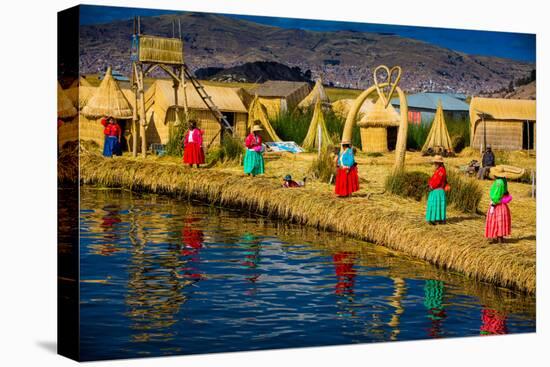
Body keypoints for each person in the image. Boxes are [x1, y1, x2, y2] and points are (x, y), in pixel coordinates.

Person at [485, 176, 512, 243]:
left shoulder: (498, 182)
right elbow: (505, 191)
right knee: (501, 221)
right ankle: (500, 238)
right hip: (503, 205)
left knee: (495, 220)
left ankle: (497, 237)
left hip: (498, 204)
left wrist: (494, 202)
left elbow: (497, 194)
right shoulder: (504, 180)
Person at [426, 155, 447, 225]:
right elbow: (433, 179)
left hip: (438, 191)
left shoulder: (441, 171)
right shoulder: (438, 170)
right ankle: (433, 218)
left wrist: (431, 186)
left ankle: (437, 219)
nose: (435, 164)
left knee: (437, 205)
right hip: (435, 191)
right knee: (433, 204)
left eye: (436, 163)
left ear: (440, 163)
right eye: (434, 163)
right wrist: (429, 184)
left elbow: (438, 180)